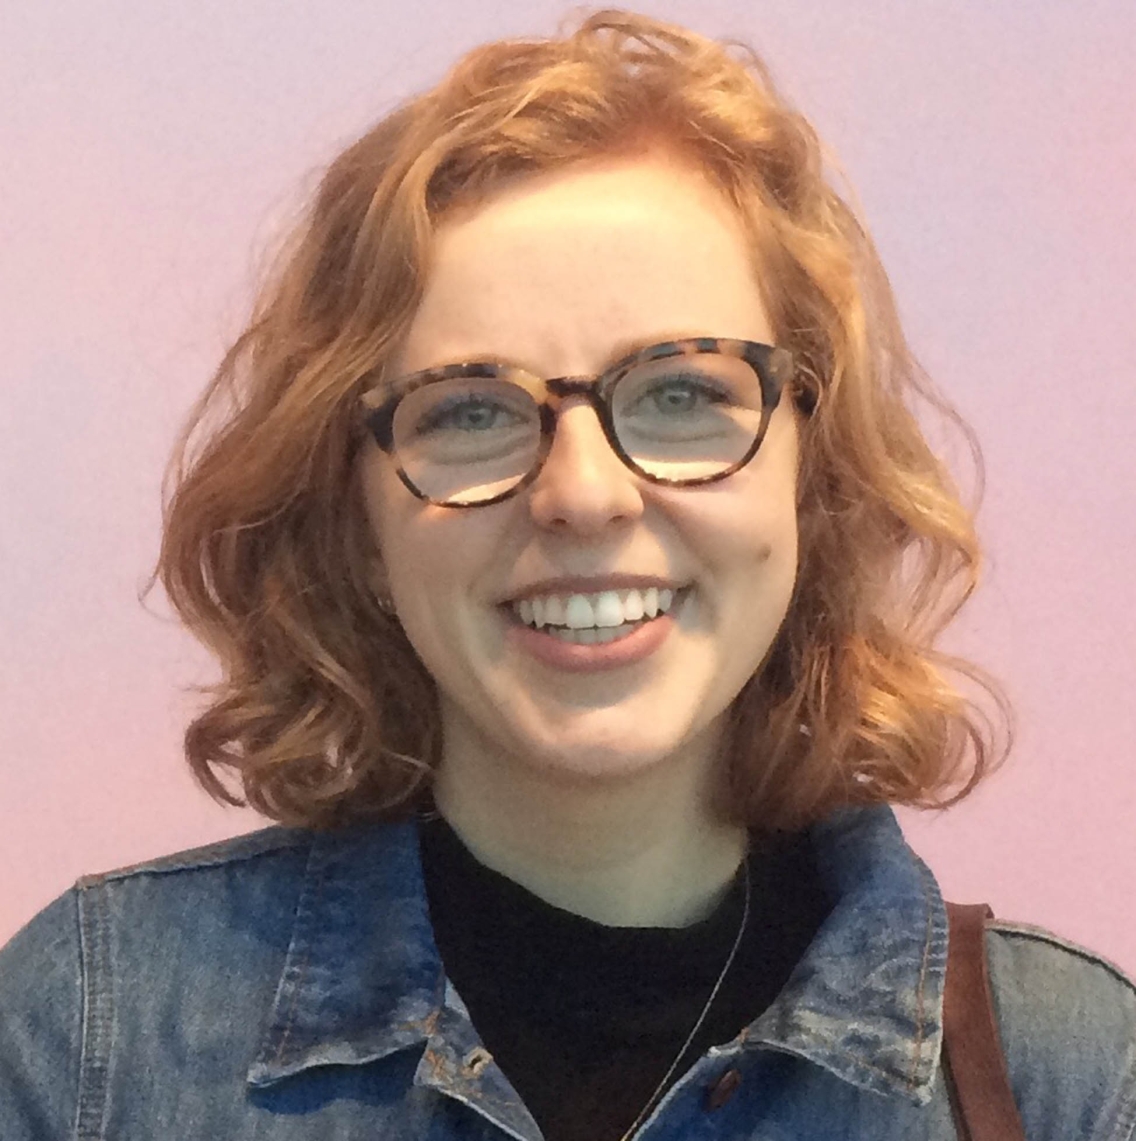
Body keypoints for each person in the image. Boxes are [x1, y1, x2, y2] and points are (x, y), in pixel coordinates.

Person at [1, 10, 1133, 1140]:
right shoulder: (95, 1045)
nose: (584, 494)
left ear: (812, 473)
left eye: (684, 391)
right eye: (471, 411)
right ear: (355, 518)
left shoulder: (1073, 1081)